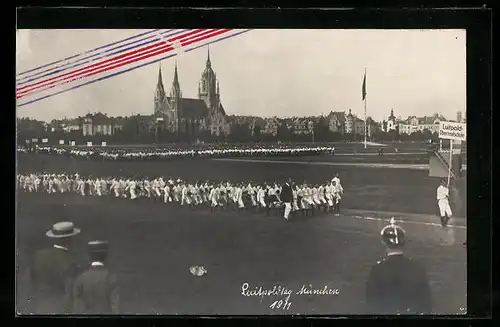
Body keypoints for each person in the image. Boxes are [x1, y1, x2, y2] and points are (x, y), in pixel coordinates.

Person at [365, 218, 432, 315]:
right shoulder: (417, 267)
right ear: (403, 243)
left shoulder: (377, 270)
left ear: (384, 243)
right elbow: (426, 304)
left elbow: (372, 305)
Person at [26, 222, 81, 314]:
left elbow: (30, 280)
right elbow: (70, 292)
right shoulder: (69, 261)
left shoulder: (38, 255)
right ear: (69, 239)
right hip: (60, 310)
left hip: (38, 307)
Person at [72, 240, 119, 314]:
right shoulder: (112, 278)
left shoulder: (80, 279)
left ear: (88, 256)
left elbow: (78, 308)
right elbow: (116, 308)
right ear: (106, 256)